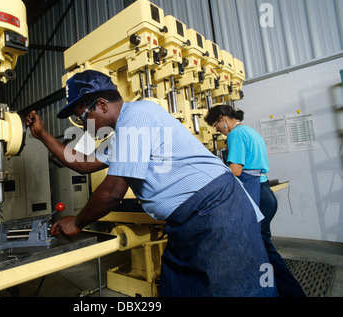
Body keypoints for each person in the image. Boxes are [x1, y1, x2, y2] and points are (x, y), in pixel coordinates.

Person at [25, 70, 277, 297]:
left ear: (101, 104)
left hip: (216, 213)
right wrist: (42, 135)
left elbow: (113, 192)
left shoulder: (136, 116)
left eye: (83, 116)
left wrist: (77, 222)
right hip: (191, 221)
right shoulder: (122, 133)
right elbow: (83, 163)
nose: (83, 125)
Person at [205, 104, 306, 297]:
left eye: (216, 126)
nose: (217, 131)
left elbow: (236, 170)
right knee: (261, 248)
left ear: (222, 119)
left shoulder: (235, 134)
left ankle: (290, 292)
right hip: (265, 192)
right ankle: (270, 289)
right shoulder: (250, 131)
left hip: (256, 194)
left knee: (263, 249)